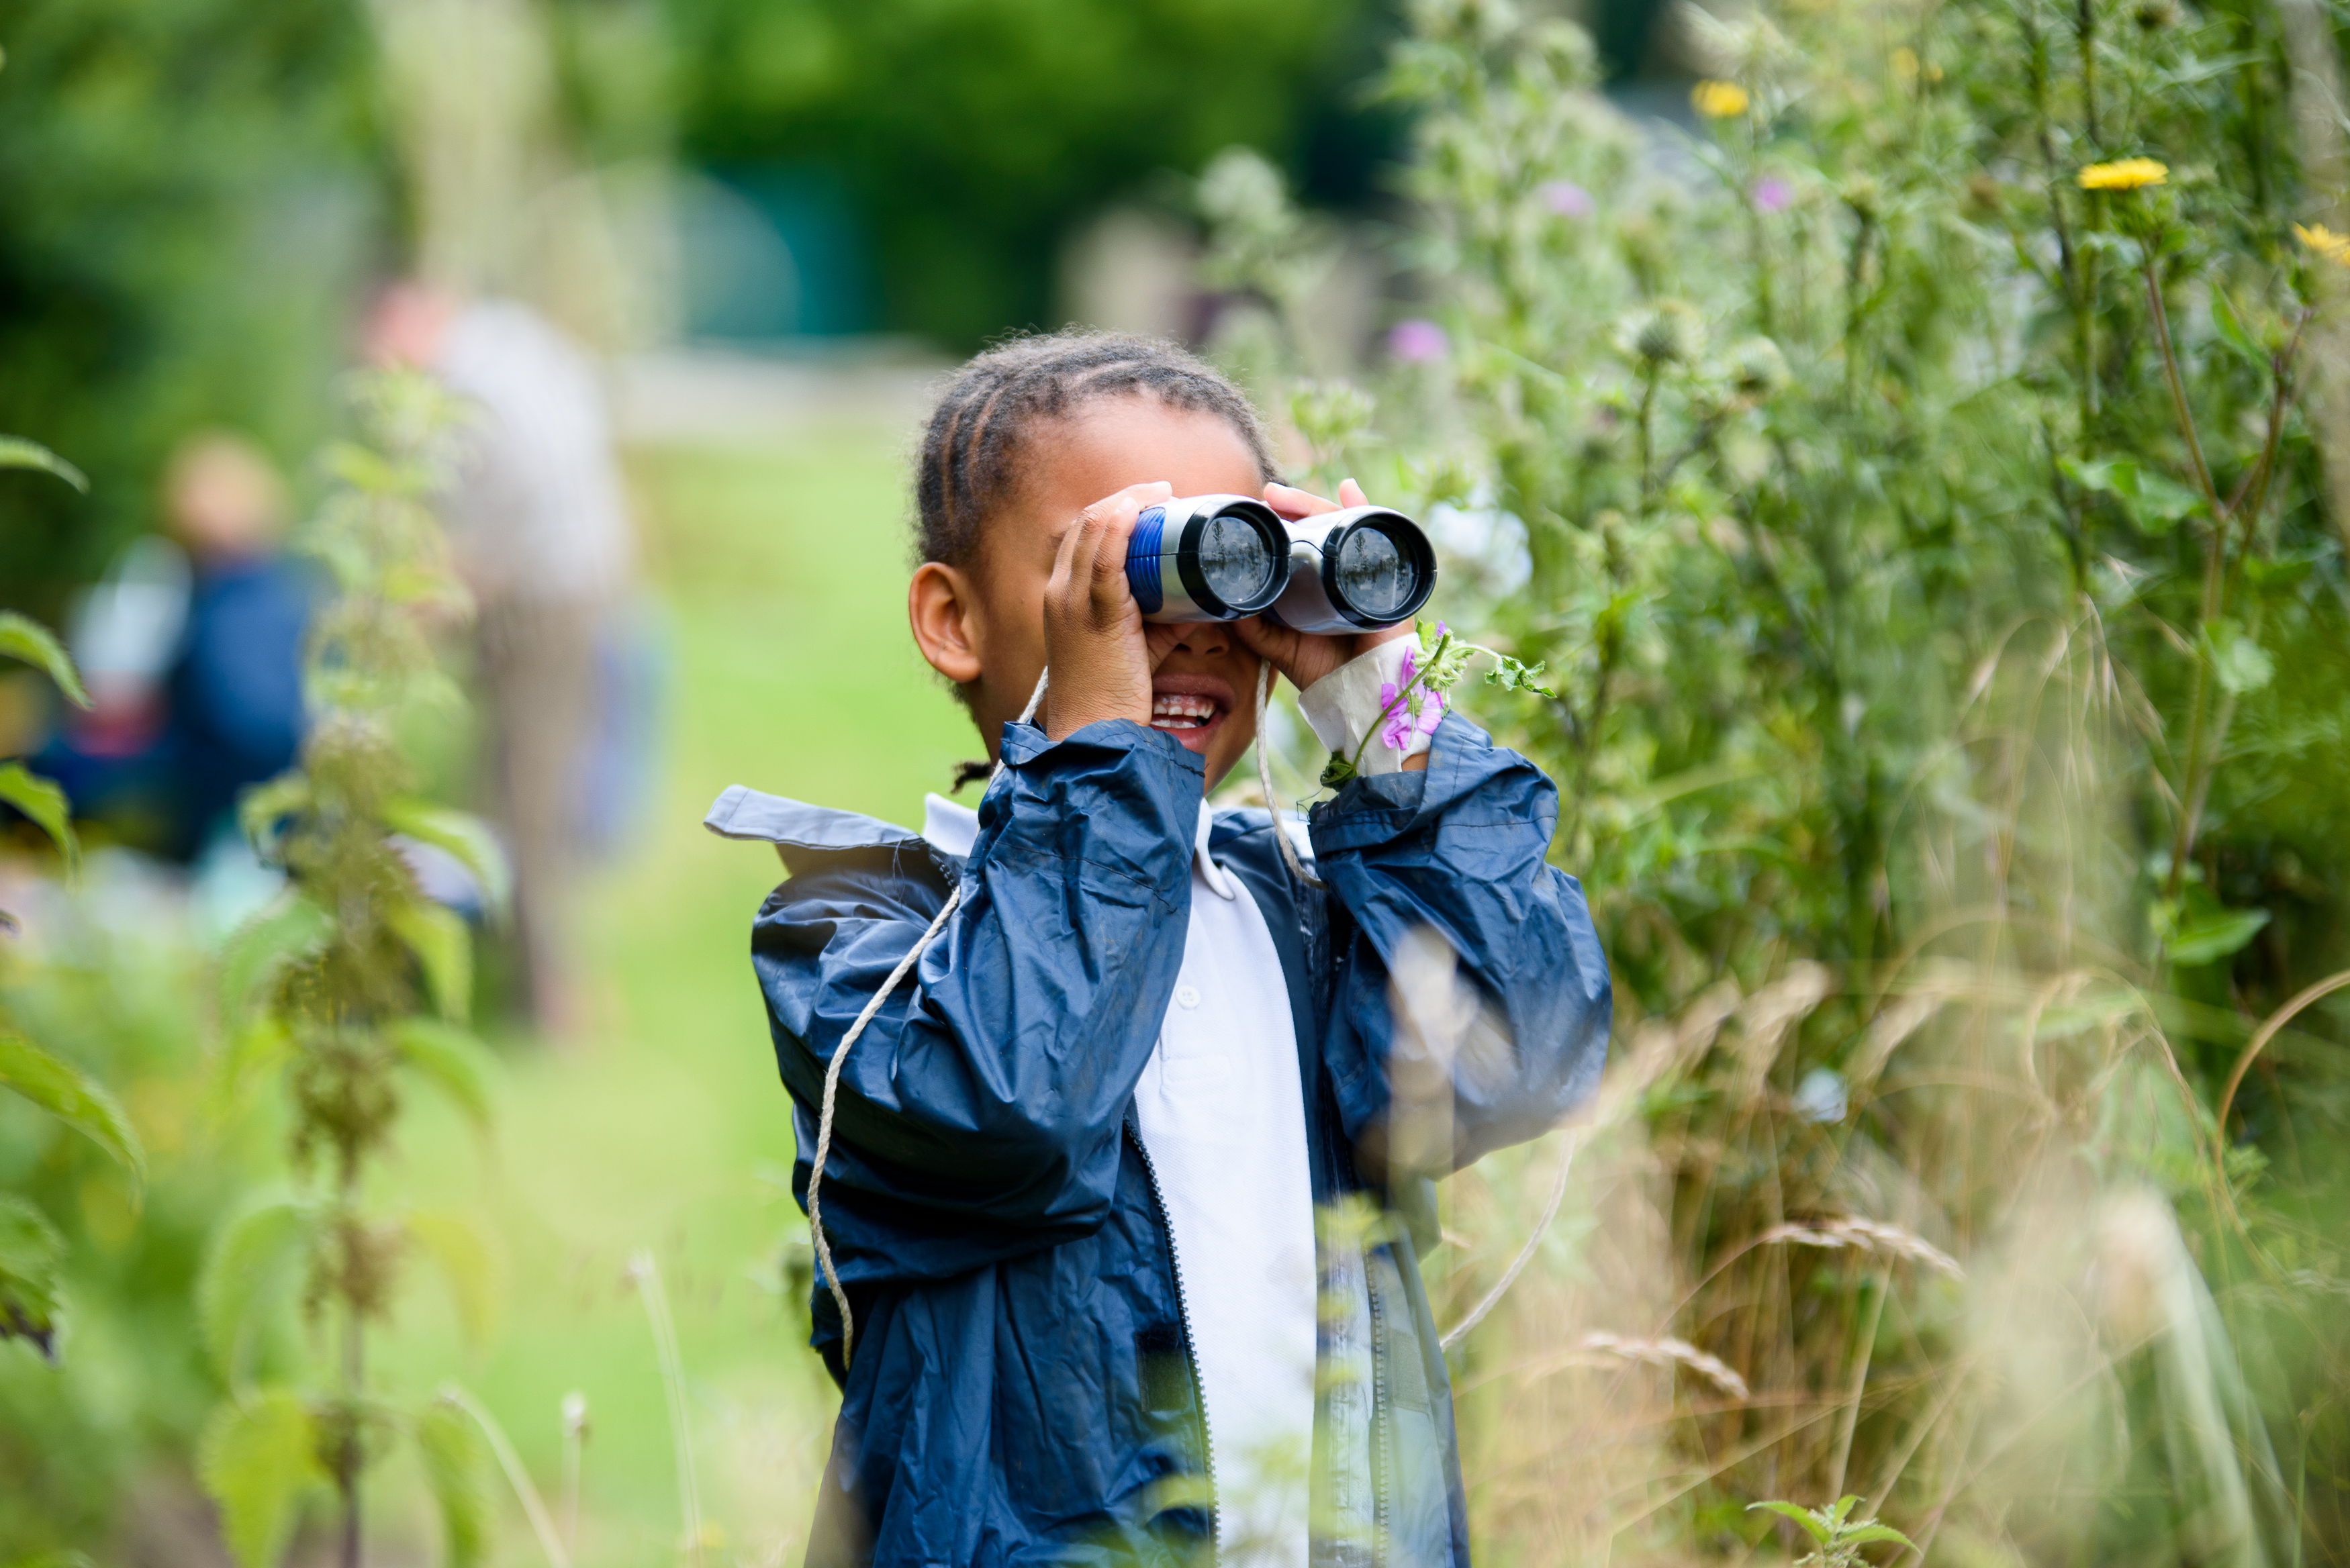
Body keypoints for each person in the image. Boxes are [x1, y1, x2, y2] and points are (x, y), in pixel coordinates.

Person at [704, 332, 1611, 1568]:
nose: (1185, 628)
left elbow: (1526, 1053)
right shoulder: (864, 939)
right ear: (954, 619)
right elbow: (1017, 1098)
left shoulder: (1306, 911)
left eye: (1230, 566)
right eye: (1123, 571)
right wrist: (1095, 739)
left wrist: (1379, 709)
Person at [366, 282, 640, 1034]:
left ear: (410, 316)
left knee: (526, 798)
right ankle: (513, 982)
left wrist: (436, 595)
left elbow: (511, 511)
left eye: (383, 349)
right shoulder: (511, 344)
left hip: (546, 602)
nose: (388, 371)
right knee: (510, 792)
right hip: (579, 585)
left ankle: (548, 1007)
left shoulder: (475, 383)